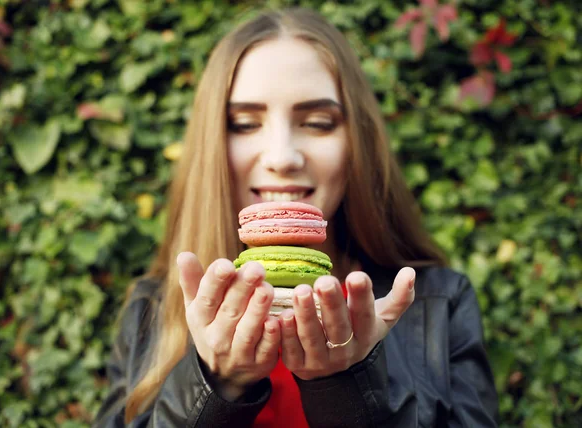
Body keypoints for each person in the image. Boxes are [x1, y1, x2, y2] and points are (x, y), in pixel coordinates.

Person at [93, 7, 498, 427]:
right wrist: (215, 386)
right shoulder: (153, 311)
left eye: (318, 123)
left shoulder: (438, 304)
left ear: (357, 143)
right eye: (245, 124)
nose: (282, 158)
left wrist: (349, 390)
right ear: (212, 145)